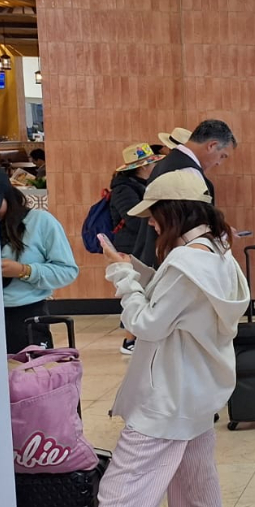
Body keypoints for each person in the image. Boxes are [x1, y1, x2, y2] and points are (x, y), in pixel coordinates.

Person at [11, 170, 251, 507]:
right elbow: (175, 299)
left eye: (155, 216)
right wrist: (137, 269)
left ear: (172, 213)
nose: (152, 226)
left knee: (121, 498)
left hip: (166, 399)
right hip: (197, 392)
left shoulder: (185, 261)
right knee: (195, 483)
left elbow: (145, 323)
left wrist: (122, 276)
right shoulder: (217, 253)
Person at [133, 120, 237, 266]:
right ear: (212, 146)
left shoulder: (170, 163)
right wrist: (221, 231)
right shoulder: (187, 172)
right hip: (175, 260)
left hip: (161, 254)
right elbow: (191, 226)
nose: (219, 163)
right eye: (222, 156)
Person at [0, 168, 79, 352]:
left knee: (28, 377)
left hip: (26, 316)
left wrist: (24, 270)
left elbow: (67, 271)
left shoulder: (40, 222)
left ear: (7, 196)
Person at [109, 143, 166, 355]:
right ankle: (129, 340)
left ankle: (136, 337)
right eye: (150, 164)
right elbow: (132, 219)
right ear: (142, 168)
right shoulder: (123, 189)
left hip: (141, 244)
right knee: (136, 288)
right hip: (131, 246)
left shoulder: (140, 185)